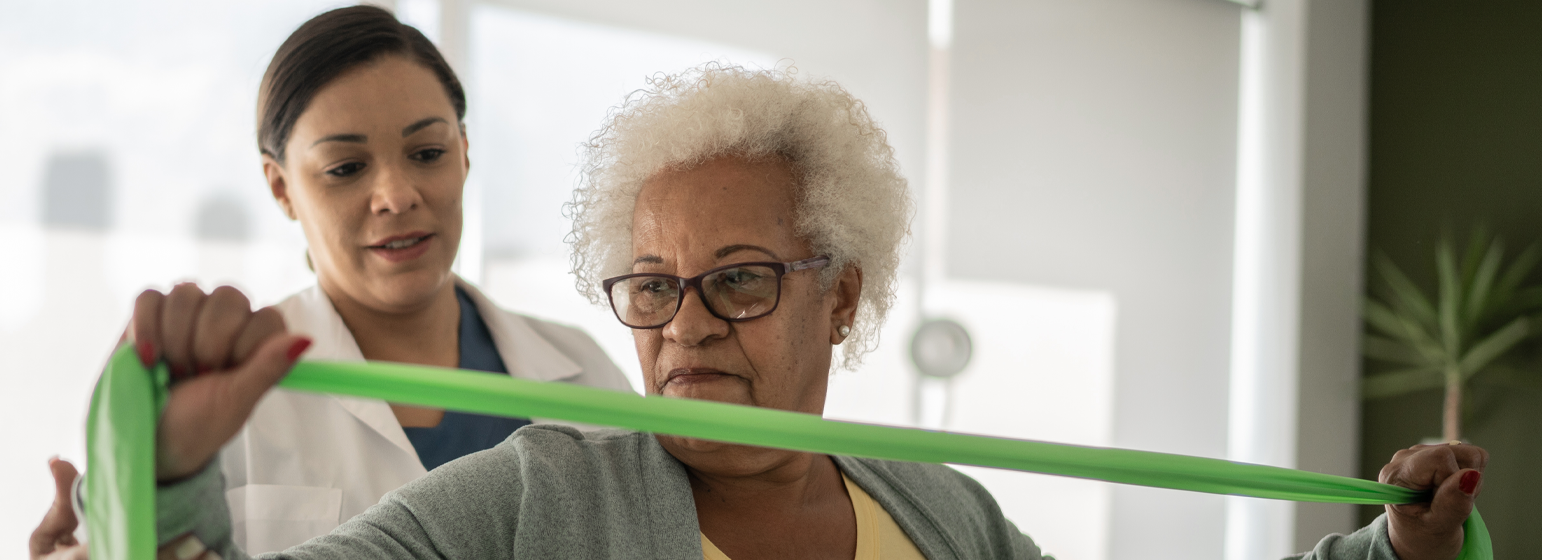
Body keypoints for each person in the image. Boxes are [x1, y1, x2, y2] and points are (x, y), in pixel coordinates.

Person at [75, 66, 1490, 560]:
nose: (685, 328)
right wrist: (173, 480)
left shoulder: (939, 509)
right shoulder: (536, 494)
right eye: (651, 288)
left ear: (844, 294)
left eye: (740, 281)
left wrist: (1397, 555)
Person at [26, 7, 633, 560]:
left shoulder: (584, 373)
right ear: (281, 187)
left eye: (427, 153)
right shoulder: (214, 398)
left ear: (466, 153)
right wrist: (118, 532)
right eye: (345, 168)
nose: (397, 196)